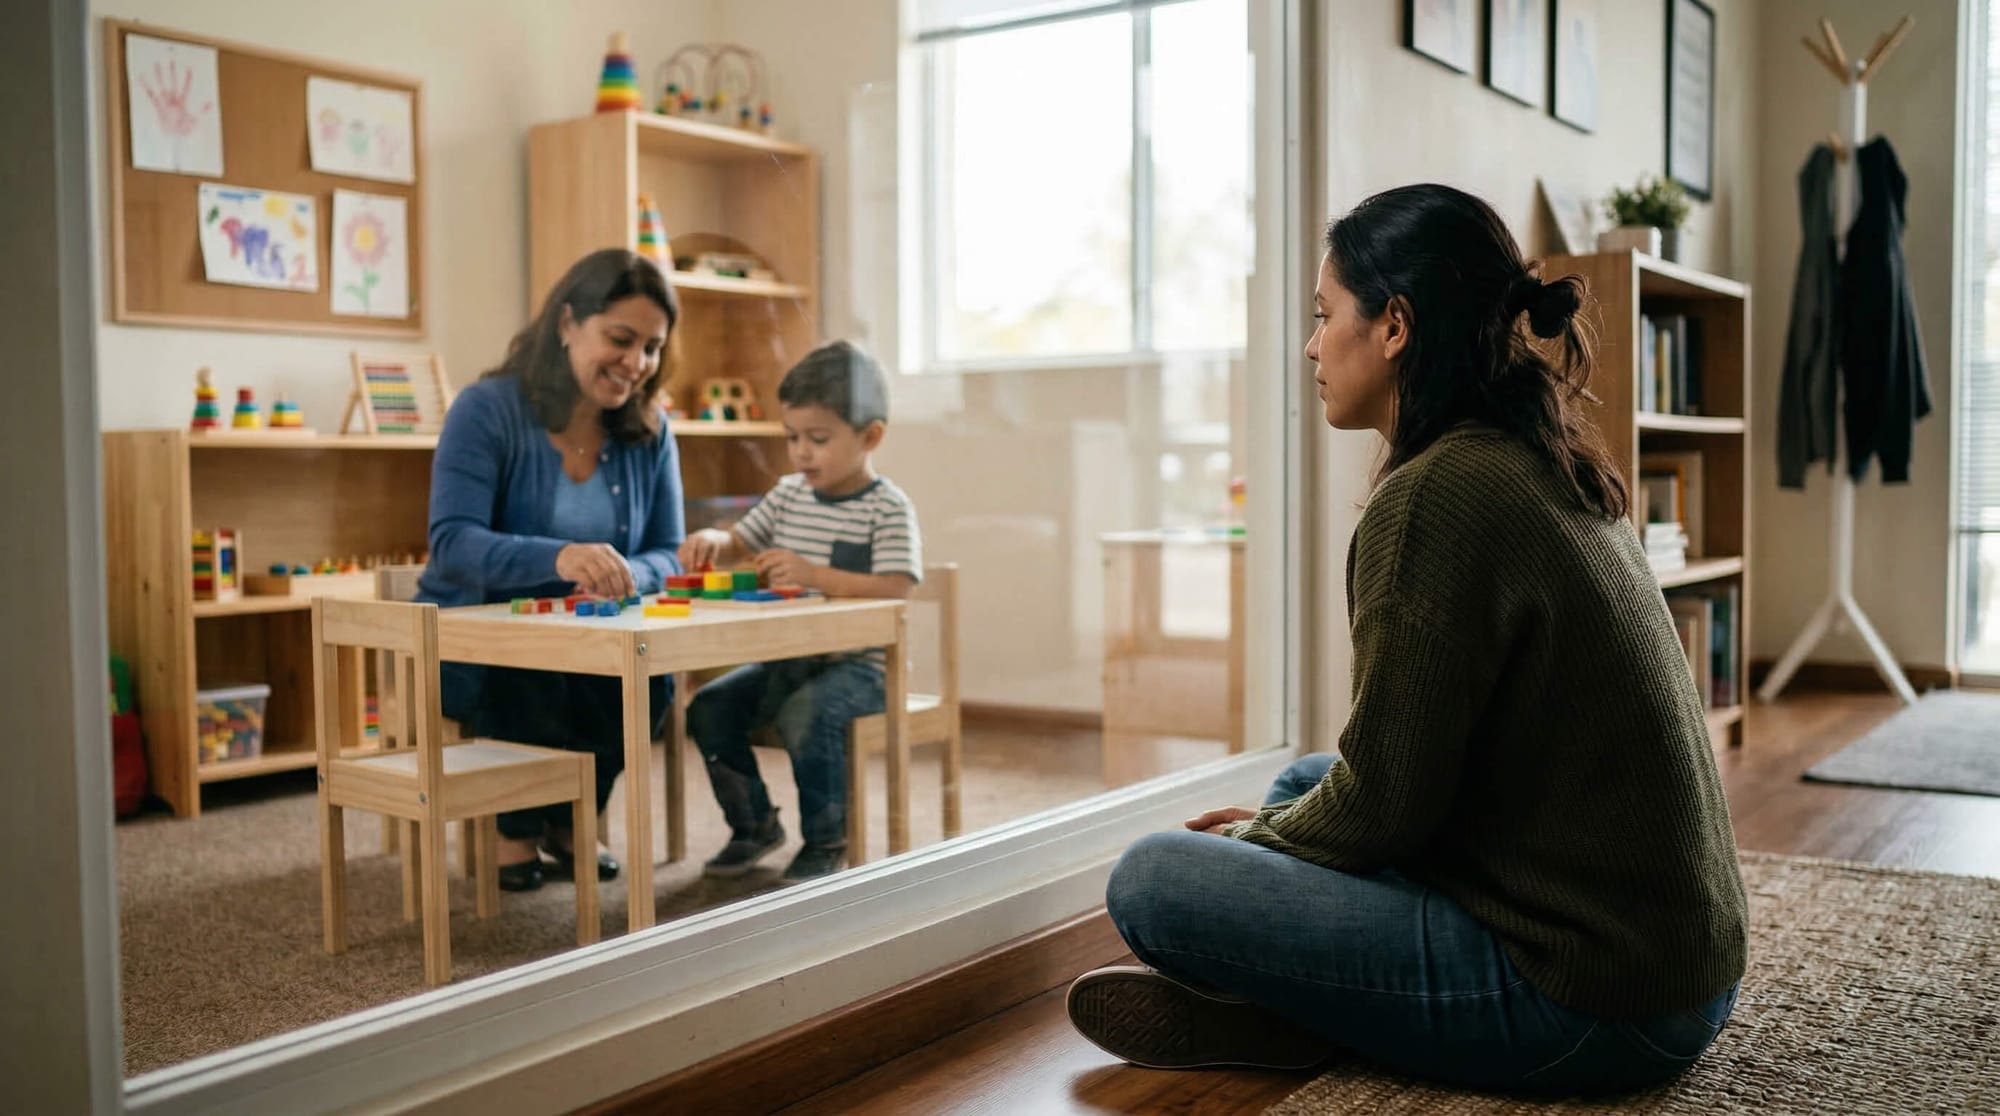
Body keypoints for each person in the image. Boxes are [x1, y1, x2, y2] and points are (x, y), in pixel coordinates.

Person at [1064, 184, 1748, 1096]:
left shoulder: (1437, 495)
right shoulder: (1537, 454)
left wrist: (1262, 842)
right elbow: (1396, 781)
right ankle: (1292, 1014)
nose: (1312, 344)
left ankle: (1292, 1012)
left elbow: (1388, 804)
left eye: (1324, 314)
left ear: (1394, 326)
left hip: (1598, 1008)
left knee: (1152, 880)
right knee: (1307, 779)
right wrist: (1281, 830)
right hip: (1681, 969)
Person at [417, 248, 685, 892]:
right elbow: (452, 542)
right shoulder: (486, 409)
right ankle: (517, 829)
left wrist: (621, 573)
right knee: (534, 669)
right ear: (568, 323)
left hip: (594, 632)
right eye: (620, 339)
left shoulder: (651, 430)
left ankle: (575, 817)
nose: (635, 364)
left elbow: (668, 553)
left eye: (651, 348)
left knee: (651, 674)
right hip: (482, 644)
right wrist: (559, 557)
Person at [679, 341, 922, 883]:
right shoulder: (789, 494)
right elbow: (740, 538)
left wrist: (815, 575)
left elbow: (896, 589)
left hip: (864, 669)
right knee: (709, 707)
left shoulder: (887, 507)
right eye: (792, 438)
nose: (801, 453)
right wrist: (712, 539)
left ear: (870, 437)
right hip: (788, 662)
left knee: (806, 714)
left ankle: (827, 840)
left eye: (819, 439)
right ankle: (755, 825)